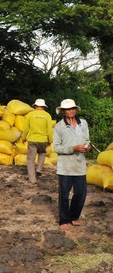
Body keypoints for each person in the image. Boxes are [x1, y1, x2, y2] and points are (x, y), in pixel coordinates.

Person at [53, 99, 91, 231]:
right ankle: (63, 220)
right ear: (63, 111)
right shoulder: (59, 127)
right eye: (68, 109)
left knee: (81, 193)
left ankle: (73, 217)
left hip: (80, 165)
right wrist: (73, 148)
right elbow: (56, 148)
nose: (71, 111)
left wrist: (87, 147)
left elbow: (87, 140)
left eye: (73, 108)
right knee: (64, 194)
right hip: (65, 167)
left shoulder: (83, 123)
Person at [21, 99, 54, 183]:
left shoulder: (30, 114)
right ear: (43, 106)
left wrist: (23, 137)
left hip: (32, 139)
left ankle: (32, 179)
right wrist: (50, 140)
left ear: (35, 106)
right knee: (42, 154)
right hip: (43, 140)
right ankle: (39, 169)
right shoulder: (47, 115)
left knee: (31, 159)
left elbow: (26, 128)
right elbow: (49, 129)